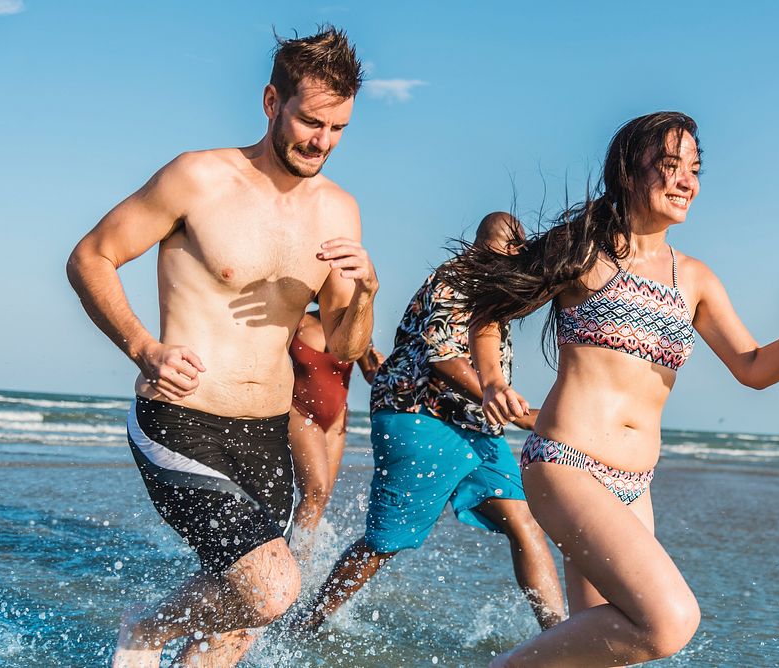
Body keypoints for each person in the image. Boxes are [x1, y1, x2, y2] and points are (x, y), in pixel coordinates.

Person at [439, 112, 779, 666]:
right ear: (628, 171)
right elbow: (489, 308)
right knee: (669, 620)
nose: (686, 180)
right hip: (567, 464)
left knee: (606, 652)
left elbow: (754, 368)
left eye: (694, 169)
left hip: (635, 484)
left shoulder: (695, 279)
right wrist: (493, 380)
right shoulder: (583, 252)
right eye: (669, 165)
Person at [66, 27, 377, 668]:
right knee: (272, 588)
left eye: (338, 128)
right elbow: (90, 256)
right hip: (180, 420)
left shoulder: (339, 210)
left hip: (266, 435)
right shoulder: (198, 177)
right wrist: (143, 348)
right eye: (310, 121)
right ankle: (147, 629)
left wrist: (367, 292)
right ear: (271, 103)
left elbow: (345, 346)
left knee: (235, 630)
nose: (322, 141)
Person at [300, 213, 566, 633]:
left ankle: (558, 636)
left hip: (476, 426)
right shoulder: (458, 279)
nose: (519, 257)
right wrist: (510, 407)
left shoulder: (492, 288)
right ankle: (304, 625)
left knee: (524, 523)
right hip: (420, 417)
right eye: (515, 248)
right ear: (496, 246)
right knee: (385, 542)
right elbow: (442, 358)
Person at [289, 307, 384, 537]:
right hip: (298, 412)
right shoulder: (299, 320)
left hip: (335, 422)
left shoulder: (354, 328)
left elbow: (372, 375)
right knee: (316, 491)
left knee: (320, 499)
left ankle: (301, 554)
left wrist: (381, 369)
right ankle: (291, 552)